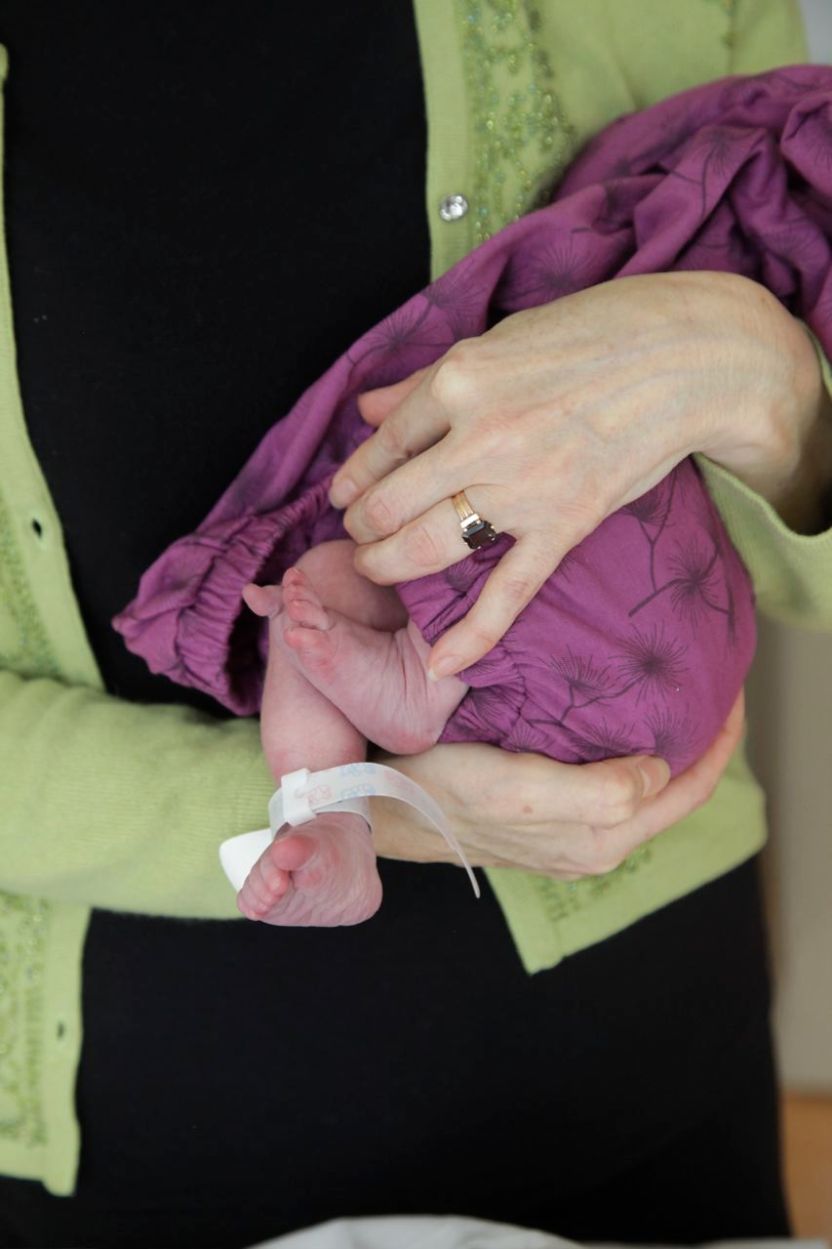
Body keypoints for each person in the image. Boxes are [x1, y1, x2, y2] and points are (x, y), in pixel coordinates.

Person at [1, 4, 832, 1247]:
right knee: (328, 596)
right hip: (143, 1158)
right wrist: (390, 811)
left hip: (641, 1081)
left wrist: (760, 378)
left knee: (323, 596)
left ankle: (369, 730)